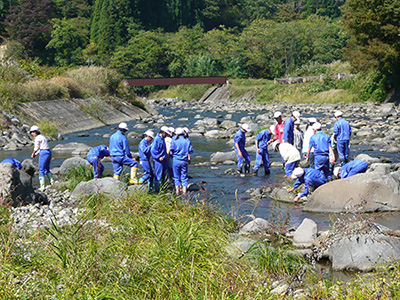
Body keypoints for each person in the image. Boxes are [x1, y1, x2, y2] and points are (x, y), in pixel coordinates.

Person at [29, 125, 54, 191]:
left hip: (43, 153)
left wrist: (33, 153)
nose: (31, 134)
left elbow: (36, 148)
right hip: (48, 152)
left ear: (35, 132)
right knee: (47, 168)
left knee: (41, 169)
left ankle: (42, 186)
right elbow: (42, 147)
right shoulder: (42, 137)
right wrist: (35, 154)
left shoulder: (37, 138)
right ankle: (52, 182)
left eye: (32, 132)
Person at [170, 127, 194, 195]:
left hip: (176, 160)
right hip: (184, 161)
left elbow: (171, 151)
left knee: (176, 177)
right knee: (184, 177)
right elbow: (191, 151)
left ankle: (177, 191)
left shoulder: (174, 140)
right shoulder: (187, 141)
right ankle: (184, 192)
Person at [151, 126, 169, 193]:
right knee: (158, 175)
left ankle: (163, 189)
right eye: (166, 134)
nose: (167, 135)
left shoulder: (162, 139)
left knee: (164, 175)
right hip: (159, 161)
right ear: (163, 132)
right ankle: (157, 191)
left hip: (163, 160)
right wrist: (158, 157)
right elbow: (153, 150)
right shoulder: (156, 139)